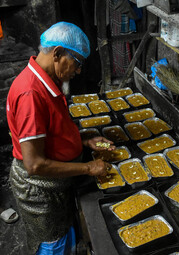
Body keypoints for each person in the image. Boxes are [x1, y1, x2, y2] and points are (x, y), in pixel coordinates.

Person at [6, 22, 114, 255]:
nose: (78, 71)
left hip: (56, 186)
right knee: (53, 244)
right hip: (41, 194)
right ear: (57, 54)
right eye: (77, 63)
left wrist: (84, 139)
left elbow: (52, 131)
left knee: (66, 239)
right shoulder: (31, 94)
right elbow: (34, 164)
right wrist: (88, 167)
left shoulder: (46, 82)